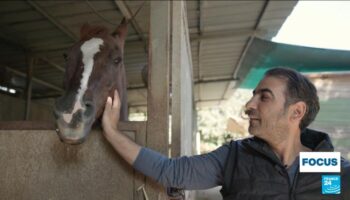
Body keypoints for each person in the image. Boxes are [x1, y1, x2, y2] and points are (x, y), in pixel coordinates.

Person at [101, 67, 350, 200]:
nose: (249, 105)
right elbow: (170, 172)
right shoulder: (234, 158)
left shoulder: (329, 167)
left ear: (296, 112)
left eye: (264, 97)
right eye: (253, 95)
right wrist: (112, 132)